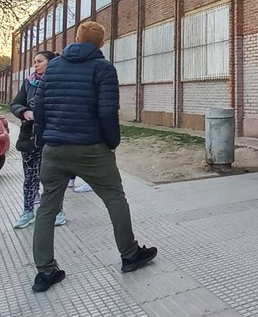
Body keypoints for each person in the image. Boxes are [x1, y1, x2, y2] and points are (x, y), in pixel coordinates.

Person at [30, 21, 157, 293]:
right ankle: (129, 254)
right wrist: (112, 143)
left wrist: (44, 138)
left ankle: (45, 271)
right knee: (114, 197)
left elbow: (38, 107)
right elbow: (107, 111)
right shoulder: (103, 69)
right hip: (91, 147)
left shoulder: (53, 67)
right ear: (101, 44)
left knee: (48, 207)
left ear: (75, 38)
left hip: (55, 147)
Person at [10, 50, 65, 229]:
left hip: (51, 138)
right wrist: (24, 112)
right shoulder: (29, 83)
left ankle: (57, 211)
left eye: (39, 61)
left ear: (51, 63)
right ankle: (27, 211)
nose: (35, 64)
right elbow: (15, 103)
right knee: (30, 177)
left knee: (53, 178)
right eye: (34, 61)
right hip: (30, 137)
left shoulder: (59, 83)